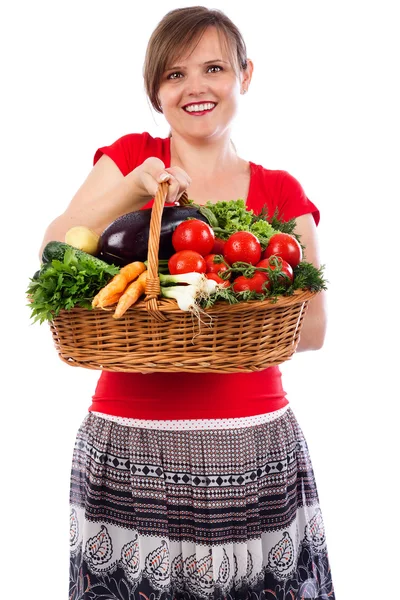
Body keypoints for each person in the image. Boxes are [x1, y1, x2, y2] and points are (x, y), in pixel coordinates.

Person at [41, 7, 334, 599]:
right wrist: (134, 188)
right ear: (155, 90)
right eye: (174, 74)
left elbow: (313, 330)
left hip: (251, 446)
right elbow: (54, 251)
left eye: (214, 68)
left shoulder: (281, 191)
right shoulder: (130, 157)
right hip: (130, 444)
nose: (194, 87)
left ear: (245, 75)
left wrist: (218, 308)